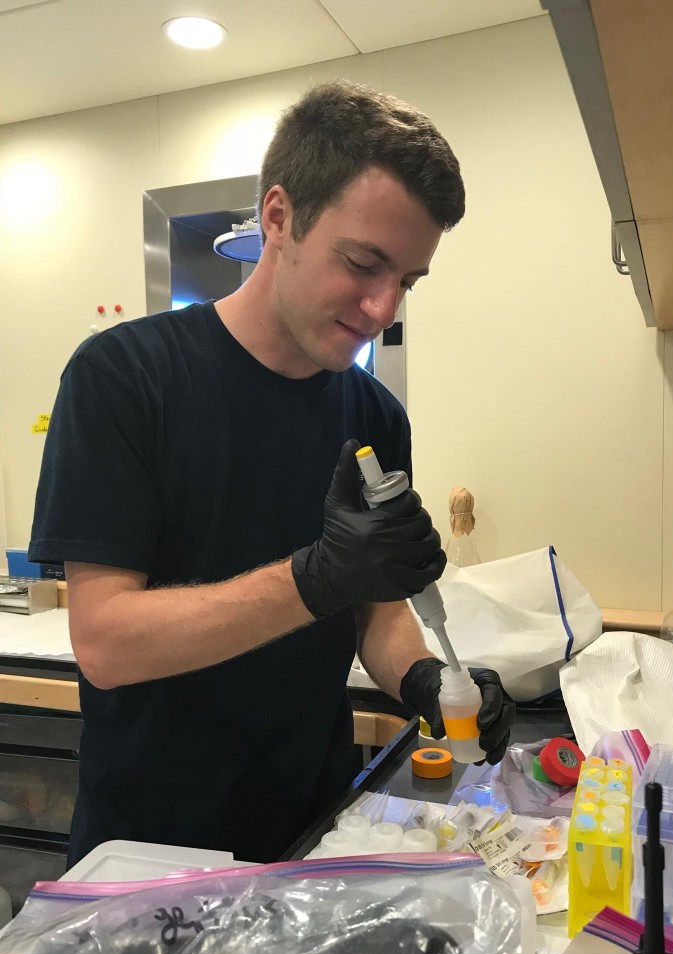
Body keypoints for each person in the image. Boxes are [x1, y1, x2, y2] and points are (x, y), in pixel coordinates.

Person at [29, 80, 515, 866]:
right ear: (279, 217)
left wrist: (427, 680)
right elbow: (106, 642)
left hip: (311, 834)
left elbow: (377, 612)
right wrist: (313, 579)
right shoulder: (124, 378)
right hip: (150, 856)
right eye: (364, 264)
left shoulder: (375, 417)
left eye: (408, 282)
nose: (384, 306)